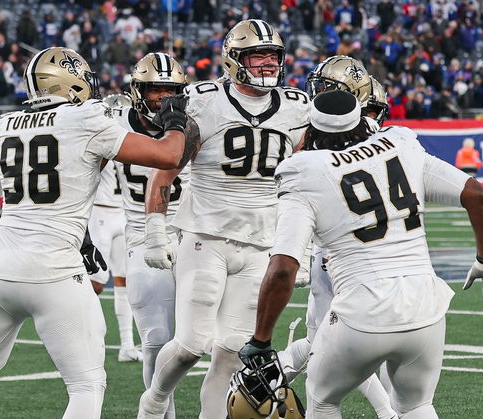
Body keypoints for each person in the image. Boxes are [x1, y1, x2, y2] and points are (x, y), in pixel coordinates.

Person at [0, 47, 196, 419]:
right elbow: (169, 156)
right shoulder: (86, 119)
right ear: (69, 82)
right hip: (55, 271)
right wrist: (174, 121)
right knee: (86, 384)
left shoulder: (4, 125)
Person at [238, 90, 483, 418]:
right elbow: (478, 195)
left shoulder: (304, 169)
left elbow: (283, 268)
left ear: (312, 130)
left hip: (362, 314)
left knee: (323, 400)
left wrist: (261, 339)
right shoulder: (400, 143)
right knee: (417, 407)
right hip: (425, 308)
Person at [137, 20, 310, 419]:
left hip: (262, 242)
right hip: (204, 235)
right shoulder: (202, 100)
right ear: (234, 60)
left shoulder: (296, 107)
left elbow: (305, 180)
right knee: (191, 344)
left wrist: (305, 245)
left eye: (272, 56)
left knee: (231, 351)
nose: (267, 64)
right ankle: (154, 401)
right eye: (256, 55)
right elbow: (165, 170)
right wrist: (155, 231)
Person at [279, 56, 398, 419]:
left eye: (328, 91)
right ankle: (274, 373)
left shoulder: (333, 141)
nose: (317, 96)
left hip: (343, 253)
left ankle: (389, 411)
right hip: (379, 253)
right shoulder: (391, 141)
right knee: (327, 343)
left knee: (331, 350)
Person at [109, 53, 191, 418]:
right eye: (155, 89)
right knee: (157, 341)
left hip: (198, 237)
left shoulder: (199, 118)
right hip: (144, 238)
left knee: (225, 343)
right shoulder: (112, 123)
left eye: (170, 90)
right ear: (137, 90)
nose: (162, 98)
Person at [88, 158, 142, 363]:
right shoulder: (101, 133)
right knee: (96, 283)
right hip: (99, 212)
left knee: (124, 281)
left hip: (124, 212)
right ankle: (82, 338)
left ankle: (126, 345)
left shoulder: (128, 137)